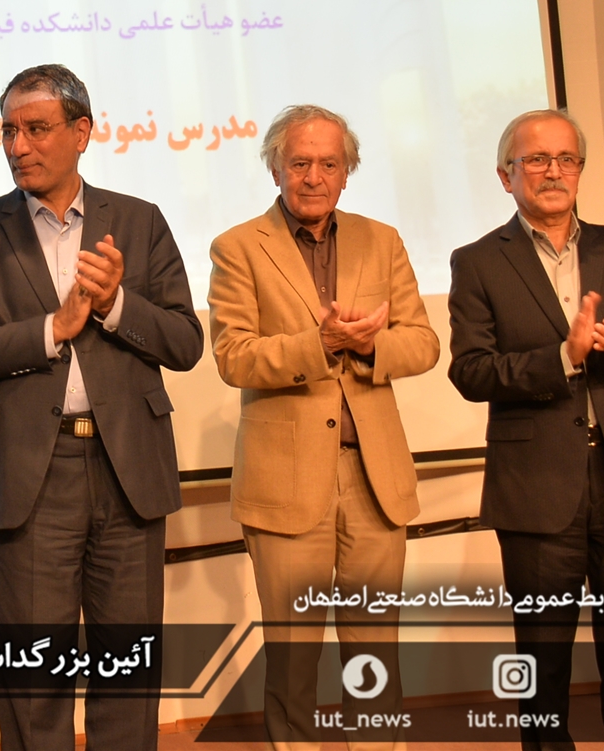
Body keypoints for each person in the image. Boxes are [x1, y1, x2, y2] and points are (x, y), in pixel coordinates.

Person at [0, 64, 204, 751]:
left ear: (82, 131)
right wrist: (52, 328)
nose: (18, 145)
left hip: (127, 467)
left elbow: (185, 342)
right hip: (30, 474)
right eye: (8, 131)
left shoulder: (139, 221)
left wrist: (115, 304)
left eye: (36, 129)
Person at [448, 109, 604, 751]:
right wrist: (562, 357)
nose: (553, 171)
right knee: (543, 659)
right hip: (536, 485)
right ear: (506, 175)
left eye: (566, 159)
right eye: (536, 159)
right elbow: (470, 371)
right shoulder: (477, 262)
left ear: (580, 170)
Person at [207, 105, 439, 750]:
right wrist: (320, 343)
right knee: (294, 652)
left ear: (347, 172)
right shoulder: (237, 246)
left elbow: (423, 344)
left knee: (375, 647)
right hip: (284, 482)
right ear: (276, 169)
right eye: (300, 163)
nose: (314, 176)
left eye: (329, 164)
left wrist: (367, 345)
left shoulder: (382, 239)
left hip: (373, 477)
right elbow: (233, 357)